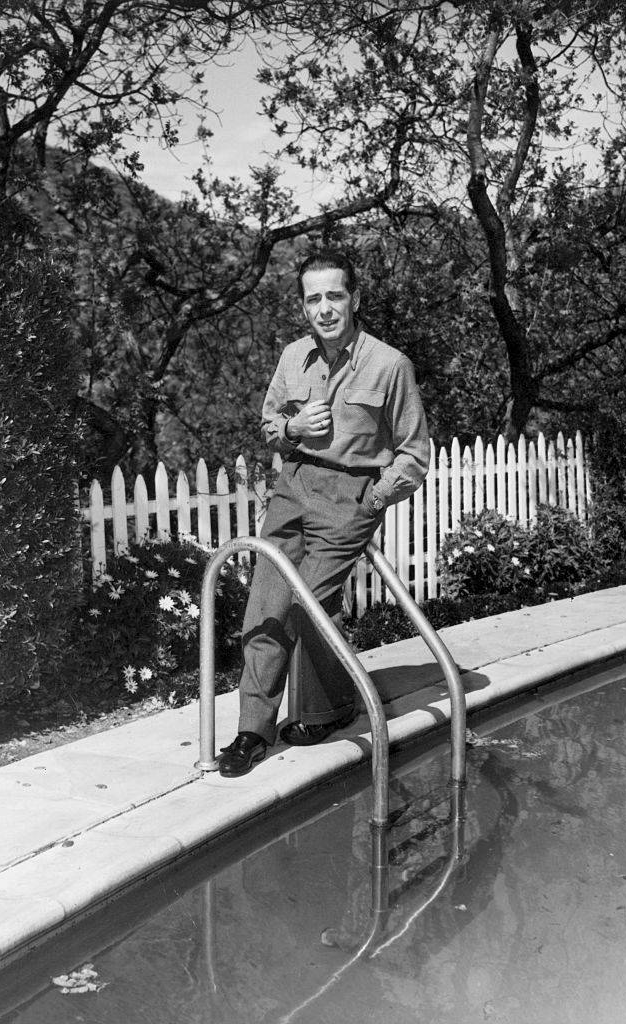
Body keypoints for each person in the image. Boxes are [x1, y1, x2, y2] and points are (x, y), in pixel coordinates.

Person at [218, 249, 429, 777]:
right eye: (314, 299)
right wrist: (293, 431)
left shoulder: (389, 364)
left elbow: (414, 451)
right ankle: (252, 730)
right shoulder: (293, 358)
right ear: (303, 307)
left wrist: (375, 499)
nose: (325, 308)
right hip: (294, 483)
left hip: (350, 495)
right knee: (267, 600)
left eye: (335, 296)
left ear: (355, 299)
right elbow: (269, 424)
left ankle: (330, 709)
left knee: (307, 604)